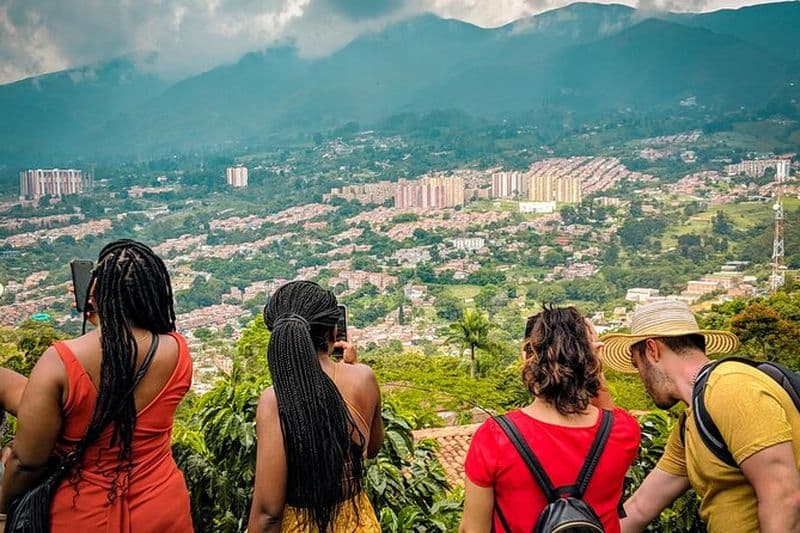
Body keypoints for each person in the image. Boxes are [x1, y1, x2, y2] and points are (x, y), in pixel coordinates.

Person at [0, 239, 193, 532]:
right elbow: (120, 373)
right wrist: (104, 321)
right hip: (163, 507)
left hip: (81, 514)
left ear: (94, 292)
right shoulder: (177, 352)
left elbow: (27, 461)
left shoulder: (60, 362)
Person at [602, 300, 800, 533]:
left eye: (637, 365)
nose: (641, 378)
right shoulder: (692, 421)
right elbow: (639, 508)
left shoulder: (730, 386)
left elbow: (784, 497)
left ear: (652, 350)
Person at [460, 305, 640, 533]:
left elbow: (473, 529)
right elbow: (608, 415)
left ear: (527, 358)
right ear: (590, 357)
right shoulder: (623, 430)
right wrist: (595, 366)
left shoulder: (495, 437)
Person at [248, 280, 383, 533]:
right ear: (333, 333)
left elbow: (267, 514)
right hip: (358, 522)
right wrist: (351, 368)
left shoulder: (274, 400)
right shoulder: (364, 378)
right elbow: (372, 448)